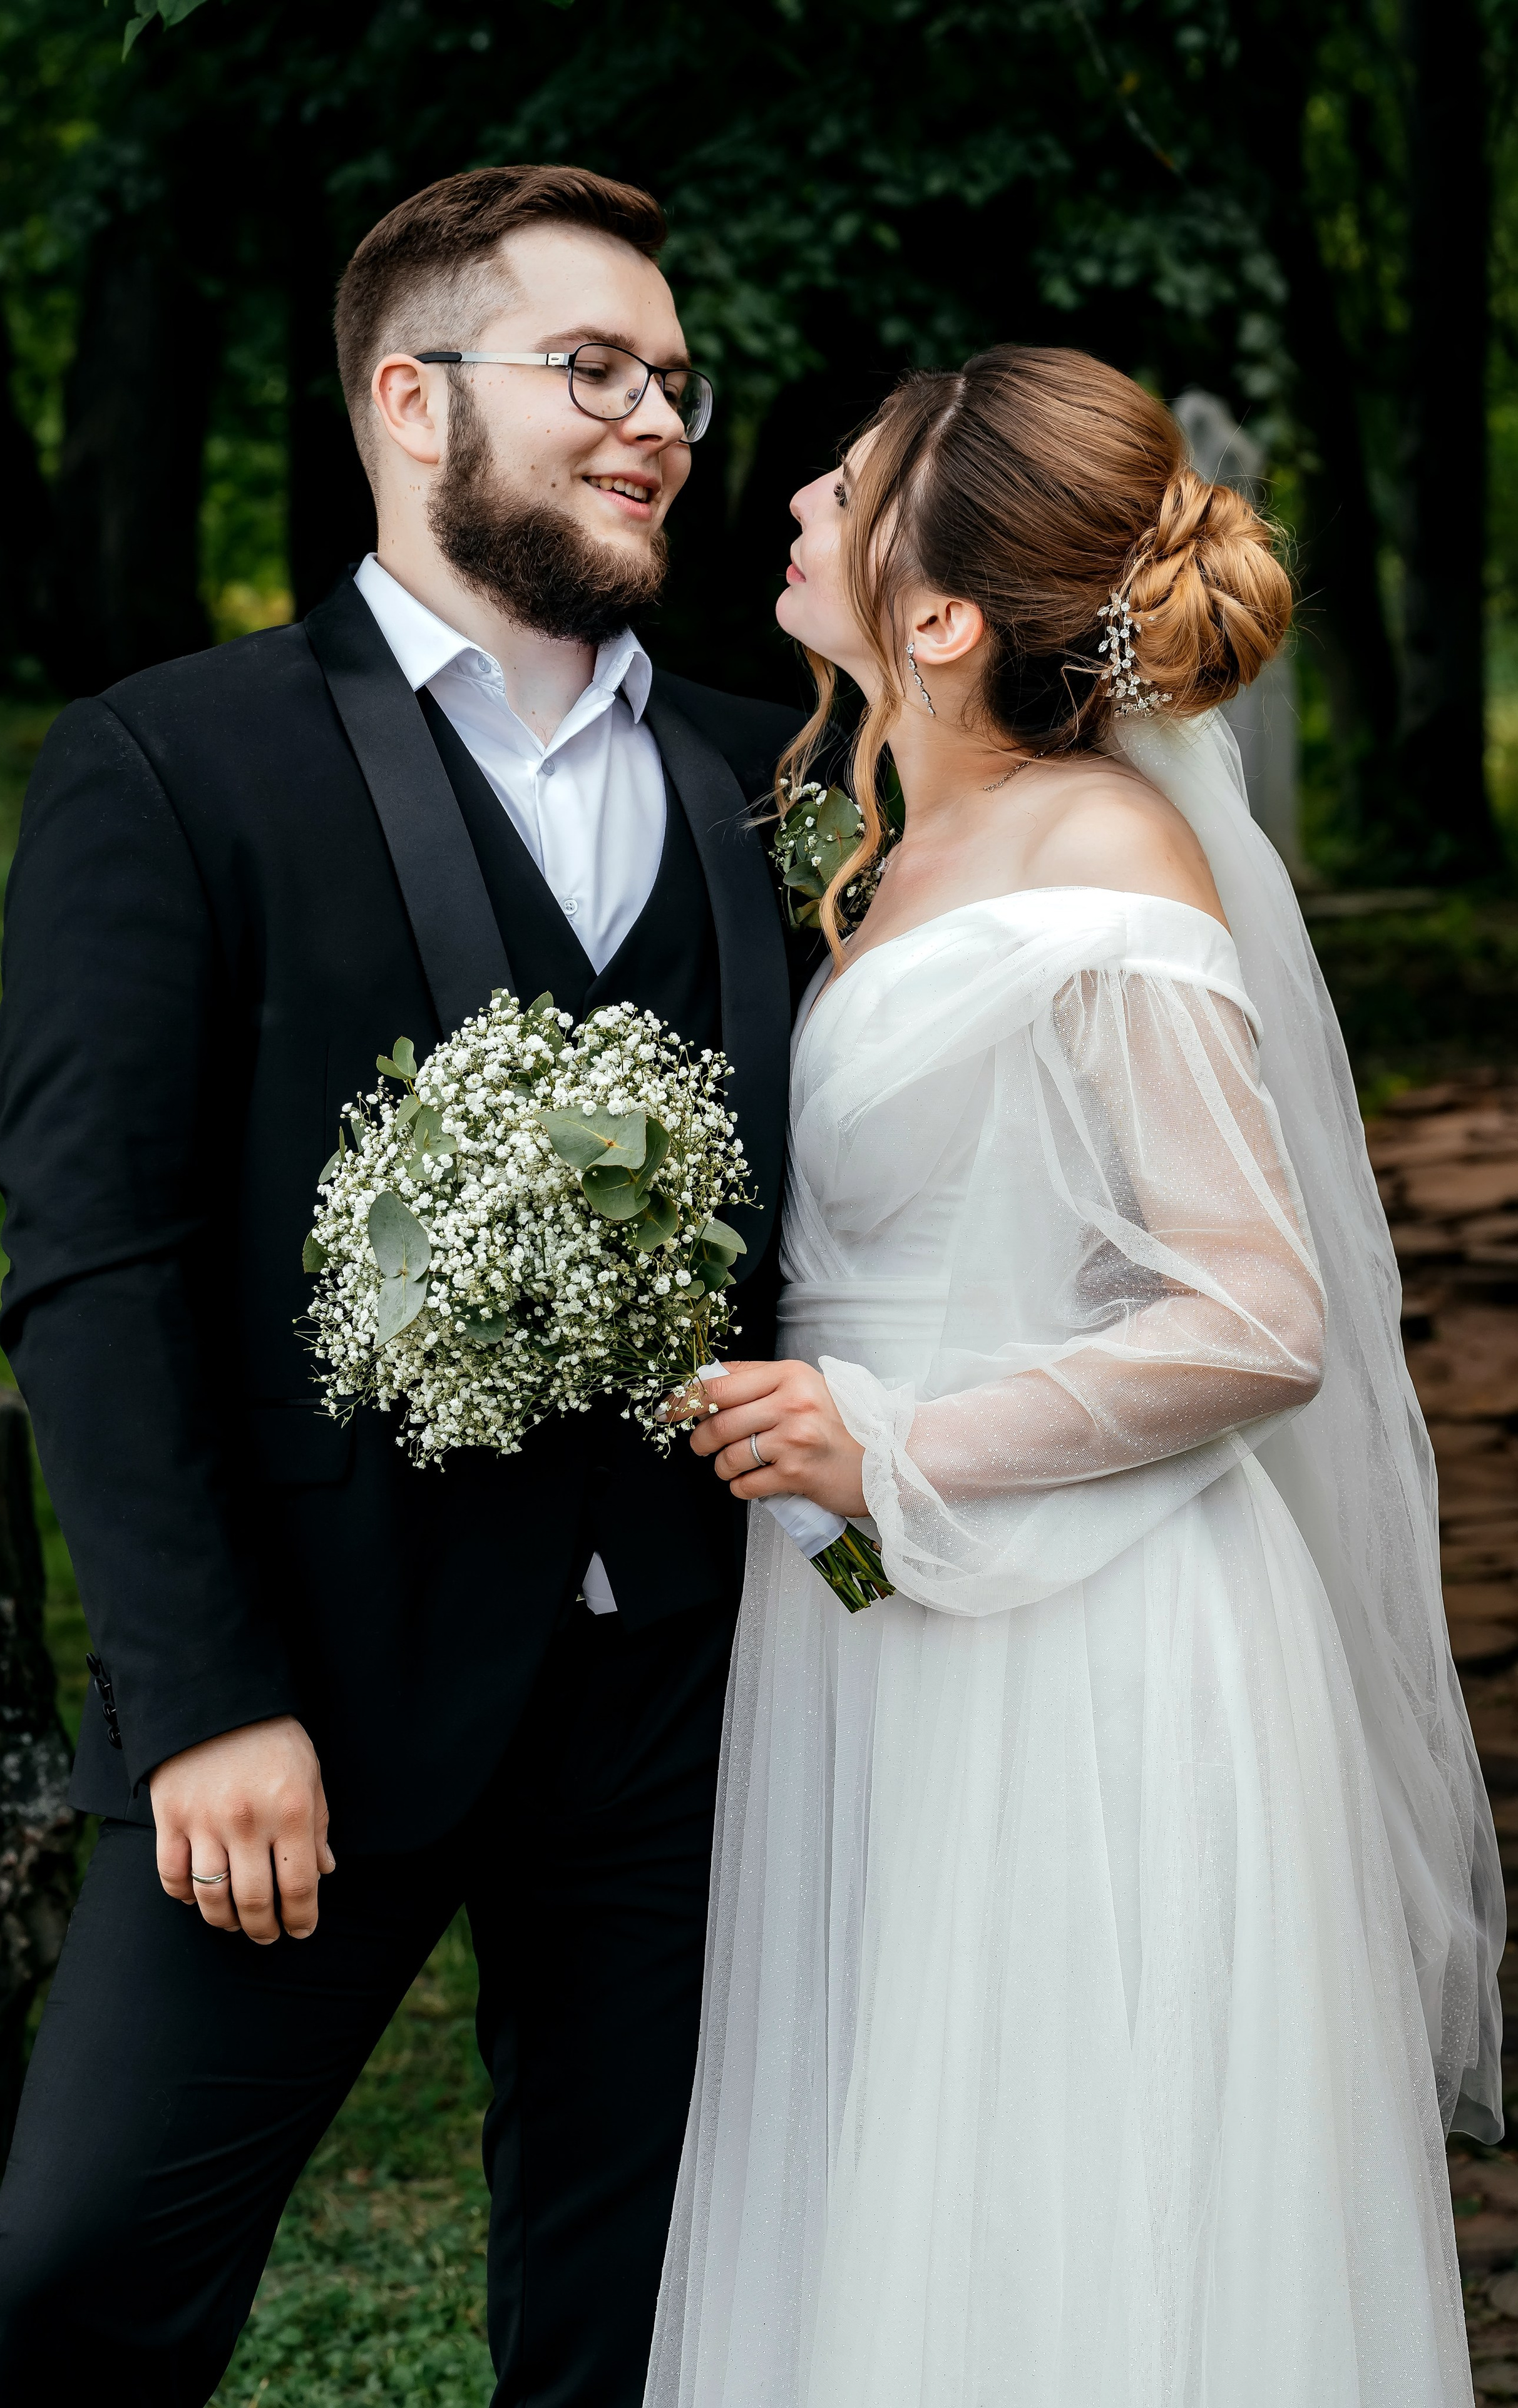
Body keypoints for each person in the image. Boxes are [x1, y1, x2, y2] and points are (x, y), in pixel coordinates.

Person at [0, 163, 804, 2406]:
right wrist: (206, 1703)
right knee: (80, 2279)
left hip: (685, 1704)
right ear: (412, 402)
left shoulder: (770, 782)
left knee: (638, 2315)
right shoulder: (173, 760)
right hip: (302, 1696)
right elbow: (98, 1271)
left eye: (677, 381)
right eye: (595, 370)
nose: (659, 422)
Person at [646, 347, 1502, 2407]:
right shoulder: (893, 835)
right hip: (880, 1599)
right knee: (891, 2184)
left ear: (939, 617)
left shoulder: (1106, 877)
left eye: (838, 493)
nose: (786, 508)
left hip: (1076, 1635)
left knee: (1052, 2212)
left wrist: (897, 1437)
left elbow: (1256, 1316)